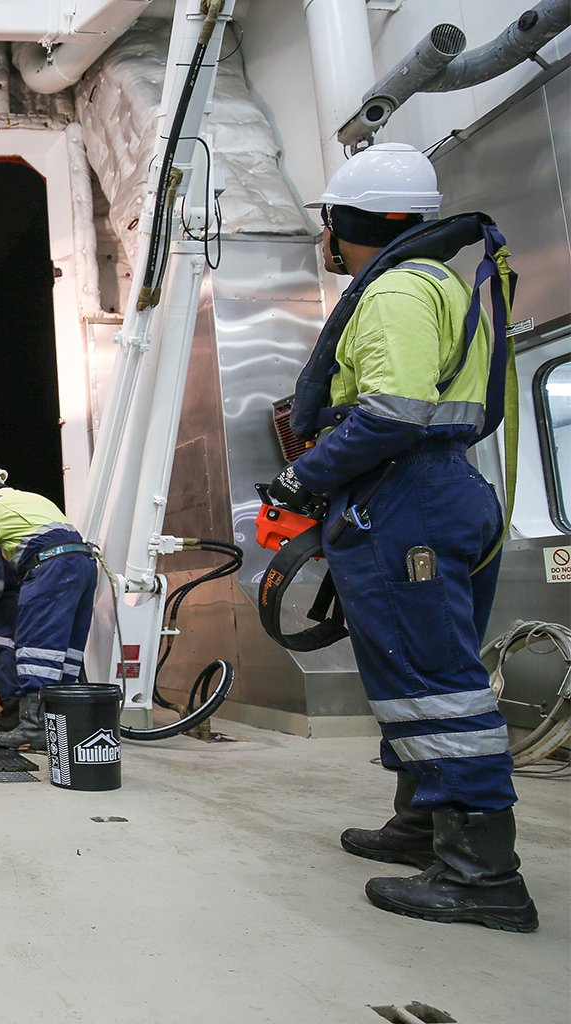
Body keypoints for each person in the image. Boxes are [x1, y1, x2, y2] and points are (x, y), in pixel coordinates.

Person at [261, 143, 536, 930]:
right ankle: (423, 825)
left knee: (436, 688)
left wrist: (302, 478)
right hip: (433, 491)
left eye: (328, 219)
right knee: (419, 680)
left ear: (346, 220)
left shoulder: (395, 292)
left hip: (405, 498)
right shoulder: (443, 282)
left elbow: (393, 411)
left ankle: (482, 876)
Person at [0, 463, 95, 752]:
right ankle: (60, 726)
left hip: (50, 567)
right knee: (65, 651)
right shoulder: (35, 499)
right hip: (84, 565)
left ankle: (33, 729)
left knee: (35, 646)